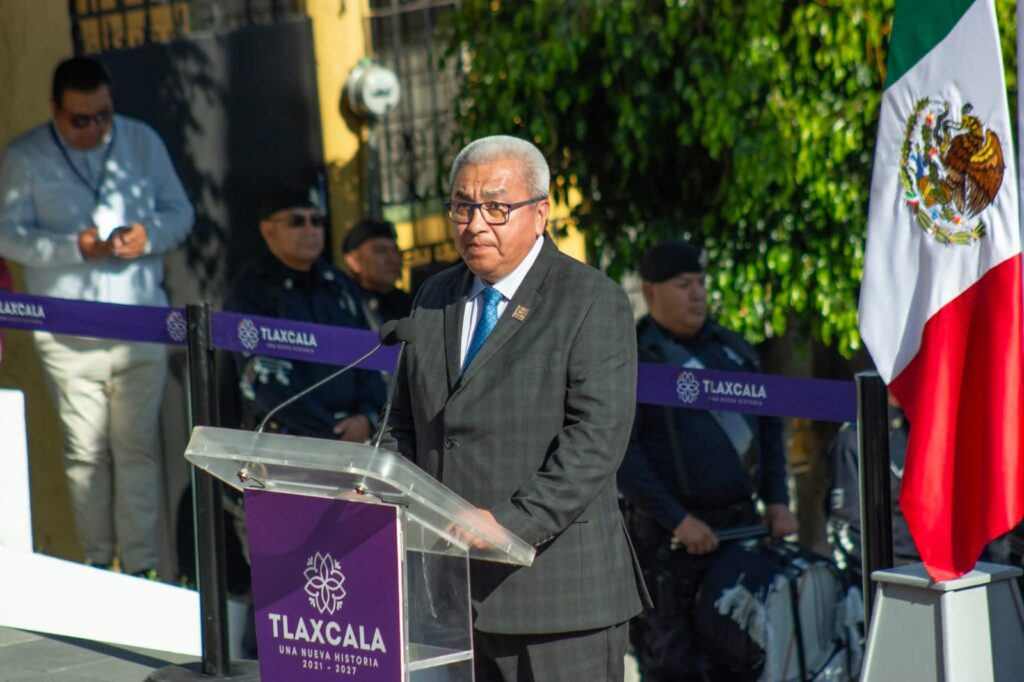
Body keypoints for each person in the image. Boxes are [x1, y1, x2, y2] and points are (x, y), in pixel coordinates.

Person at [382, 135, 647, 681]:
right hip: (448, 599)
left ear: (541, 213)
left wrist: (505, 524)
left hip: (557, 601)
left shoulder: (590, 300)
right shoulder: (433, 295)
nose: (476, 224)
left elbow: (595, 442)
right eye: (462, 207)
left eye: (496, 208)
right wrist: (374, 487)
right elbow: (405, 422)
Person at [0, 57, 194, 578]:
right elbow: (7, 234)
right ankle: (97, 566)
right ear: (54, 110)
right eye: (79, 120)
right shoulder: (25, 156)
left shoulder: (141, 141)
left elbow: (181, 214)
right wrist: (73, 247)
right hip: (68, 334)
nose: (94, 129)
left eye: (103, 116)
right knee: (85, 454)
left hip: (139, 326)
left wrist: (148, 236)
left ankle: (141, 568)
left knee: (137, 452)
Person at [618, 240, 799, 682]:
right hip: (670, 549)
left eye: (701, 283)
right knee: (675, 670)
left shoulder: (734, 351)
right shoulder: (633, 359)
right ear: (651, 291)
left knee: (743, 663)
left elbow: (770, 430)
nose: (698, 294)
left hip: (741, 537)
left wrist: (777, 500)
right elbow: (624, 456)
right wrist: (678, 520)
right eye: (684, 285)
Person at [223, 184, 385, 441]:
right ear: (268, 230)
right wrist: (330, 431)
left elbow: (368, 359)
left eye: (316, 221)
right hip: (286, 442)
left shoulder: (339, 286)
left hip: (352, 441)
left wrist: (367, 417)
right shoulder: (251, 291)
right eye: (296, 221)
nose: (310, 230)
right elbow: (263, 379)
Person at [826, 396, 918, 584]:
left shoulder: (924, 428)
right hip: (894, 577)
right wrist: (892, 580)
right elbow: (848, 527)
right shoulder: (858, 436)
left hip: (941, 571)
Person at [341, 218, 412, 330]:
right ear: (354, 260)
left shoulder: (412, 305)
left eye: (395, 250)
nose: (392, 259)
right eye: (380, 251)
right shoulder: (343, 306)